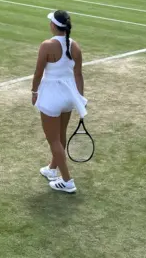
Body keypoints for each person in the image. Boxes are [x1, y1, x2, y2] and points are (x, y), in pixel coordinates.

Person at [31, 10, 87, 193]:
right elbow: (78, 75)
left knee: (53, 139)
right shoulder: (75, 46)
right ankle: (51, 169)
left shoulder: (46, 45)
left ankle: (67, 181)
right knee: (60, 134)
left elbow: (38, 73)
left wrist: (34, 91)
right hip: (68, 97)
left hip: (52, 97)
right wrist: (80, 98)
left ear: (54, 26)